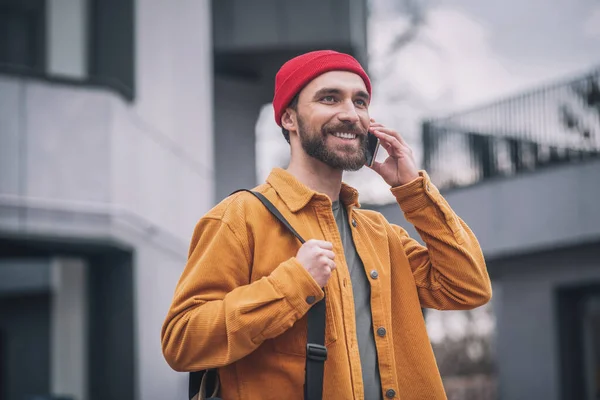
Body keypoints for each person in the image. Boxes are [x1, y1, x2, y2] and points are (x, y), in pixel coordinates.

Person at [161, 50, 492, 400]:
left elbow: (468, 286)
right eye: (329, 98)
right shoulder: (238, 217)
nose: (350, 114)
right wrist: (292, 284)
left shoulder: (380, 233)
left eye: (360, 102)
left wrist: (413, 191)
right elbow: (182, 342)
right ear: (289, 118)